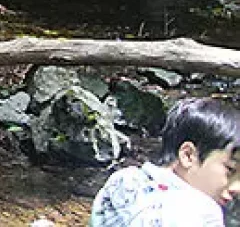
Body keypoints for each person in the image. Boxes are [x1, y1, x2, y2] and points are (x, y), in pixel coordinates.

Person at [90, 97, 240, 226]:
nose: (237, 188)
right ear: (188, 155)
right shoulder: (203, 212)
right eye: (231, 170)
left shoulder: (122, 180)